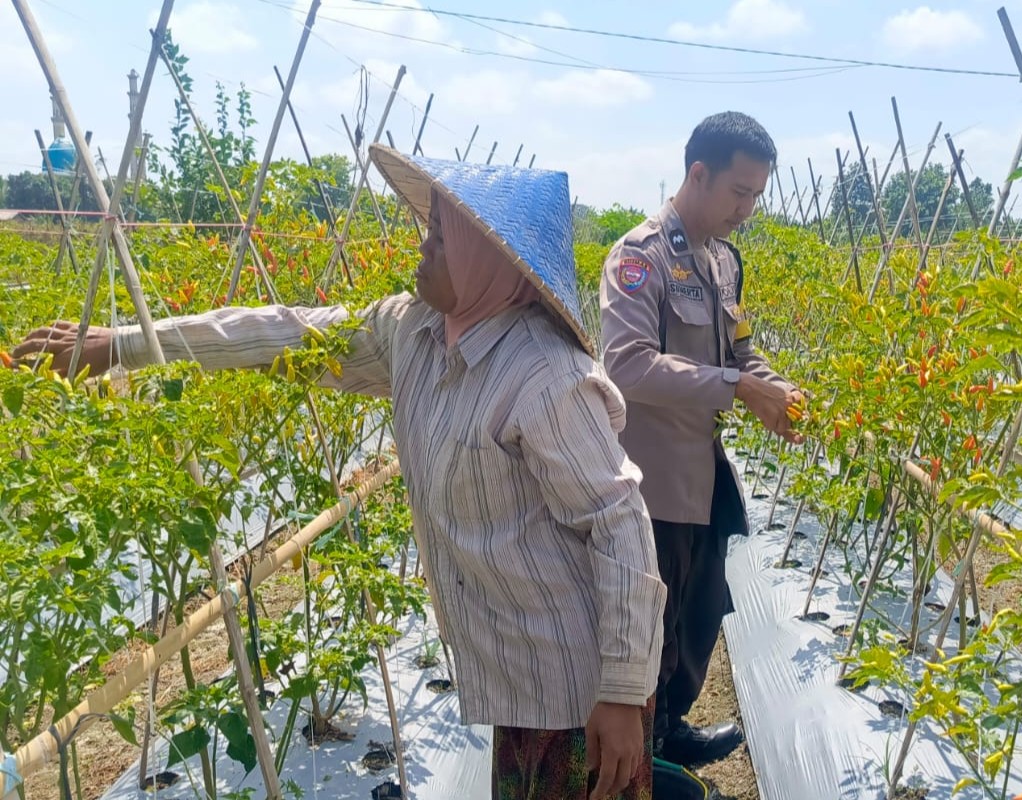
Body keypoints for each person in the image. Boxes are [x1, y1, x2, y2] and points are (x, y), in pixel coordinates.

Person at [15, 149, 667, 800]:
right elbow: (286, 333)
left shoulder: (546, 376)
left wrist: (620, 692)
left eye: (441, 236)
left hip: (585, 683)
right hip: (518, 676)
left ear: (486, 259)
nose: (424, 246)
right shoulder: (413, 333)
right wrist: (120, 344)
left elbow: (619, 524)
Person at [599, 111, 802, 768]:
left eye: (756, 196)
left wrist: (776, 389)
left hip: (703, 474)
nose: (746, 209)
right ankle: (645, 760)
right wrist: (739, 389)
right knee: (649, 628)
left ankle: (670, 728)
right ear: (697, 173)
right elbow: (625, 363)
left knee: (701, 608)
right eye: (738, 193)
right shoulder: (640, 258)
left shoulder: (723, 262)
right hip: (651, 482)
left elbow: (741, 352)